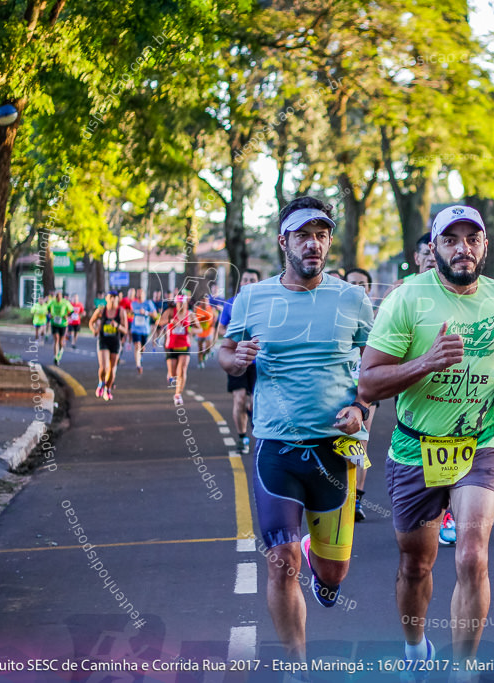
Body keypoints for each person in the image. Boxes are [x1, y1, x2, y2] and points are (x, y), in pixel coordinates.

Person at [359, 205, 494, 667]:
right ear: (434, 247)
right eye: (451, 240)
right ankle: (415, 648)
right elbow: (369, 383)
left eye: (472, 239)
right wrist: (425, 362)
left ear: (484, 246)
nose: (463, 249)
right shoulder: (406, 300)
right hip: (416, 446)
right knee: (416, 565)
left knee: (472, 557)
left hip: (480, 441)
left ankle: (463, 670)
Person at [219, 197, 373, 663]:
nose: (314, 244)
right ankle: (297, 664)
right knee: (280, 563)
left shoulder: (352, 298)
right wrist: (236, 358)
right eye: (304, 235)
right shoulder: (253, 297)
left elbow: (376, 365)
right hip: (276, 448)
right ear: (283, 241)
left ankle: (321, 564)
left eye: (322, 235)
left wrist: (362, 408)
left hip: (334, 449)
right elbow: (224, 353)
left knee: (333, 575)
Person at [344, 267, 378, 522]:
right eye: (352, 283)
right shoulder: (336, 314)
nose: (358, 288)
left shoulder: (378, 317)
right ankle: (339, 495)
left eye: (362, 284)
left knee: (360, 442)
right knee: (337, 443)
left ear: (369, 288)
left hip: (367, 387)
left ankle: (356, 499)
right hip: (341, 386)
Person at [218, 269, 261, 455]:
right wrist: (235, 338)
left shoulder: (266, 303)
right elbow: (221, 329)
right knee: (239, 399)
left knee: (254, 402)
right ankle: (242, 437)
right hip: (238, 359)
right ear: (240, 282)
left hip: (260, 362)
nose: (249, 282)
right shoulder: (231, 303)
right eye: (245, 279)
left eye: (253, 279)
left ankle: (258, 430)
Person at [89, 291, 128, 401]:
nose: (112, 299)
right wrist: (94, 330)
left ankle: (108, 389)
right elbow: (91, 322)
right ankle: (101, 383)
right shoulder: (101, 310)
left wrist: (117, 326)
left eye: (115, 297)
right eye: (110, 297)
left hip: (115, 342)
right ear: (106, 298)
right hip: (103, 340)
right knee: (104, 367)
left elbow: (125, 330)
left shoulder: (121, 312)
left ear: (117, 299)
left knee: (112, 369)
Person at [160, 294, 198, 406]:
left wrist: (191, 329)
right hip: (171, 345)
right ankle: (170, 374)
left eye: (183, 303)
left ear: (186, 303)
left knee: (182, 370)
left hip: (184, 345)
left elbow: (199, 328)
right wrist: (170, 321)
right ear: (176, 303)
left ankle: (178, 395)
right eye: (179, 303)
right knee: (173, 373)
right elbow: (160, 322)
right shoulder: (171, 311)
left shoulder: (190, 315)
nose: (180, 305)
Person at [129, 289, 158, 374]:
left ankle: (140, 356)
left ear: (144, 294)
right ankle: (138, 365)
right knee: (137, 345)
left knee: (142, 348)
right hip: (135, 329)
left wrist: (145, 312)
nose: (139, 295)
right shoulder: (133, 304)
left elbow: (155, 315)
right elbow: (129, 313)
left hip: (145, 330)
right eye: (138, 294)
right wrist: (130, 313)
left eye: (141, 293)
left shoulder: (148, 303)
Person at [47, 291, 75, 365]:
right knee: (56, 339)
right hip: (54, 323)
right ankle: (55, 357)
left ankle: (60, 353)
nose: (58, 299)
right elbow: (48, 308)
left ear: (61, 297)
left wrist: (67, 316)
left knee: (61, 341)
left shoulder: (65, 302)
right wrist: (50, 314)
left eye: (59, 298)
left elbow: (72, 311)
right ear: (55, 297)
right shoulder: (52, 302)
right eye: (57, 298)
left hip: (63, 324)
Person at [195, 294, 218, 368]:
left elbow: (215, 316)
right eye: (204, 300)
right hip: (200, 332)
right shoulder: (197, 309)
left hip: (208, 331)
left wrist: (213, 324)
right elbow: (193, 319)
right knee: (200, 348)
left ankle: (205, 354)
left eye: (207, 300)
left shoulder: (211, 309)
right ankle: (200, 362)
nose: (205, 302)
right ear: (201, 301)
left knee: (208, 347)